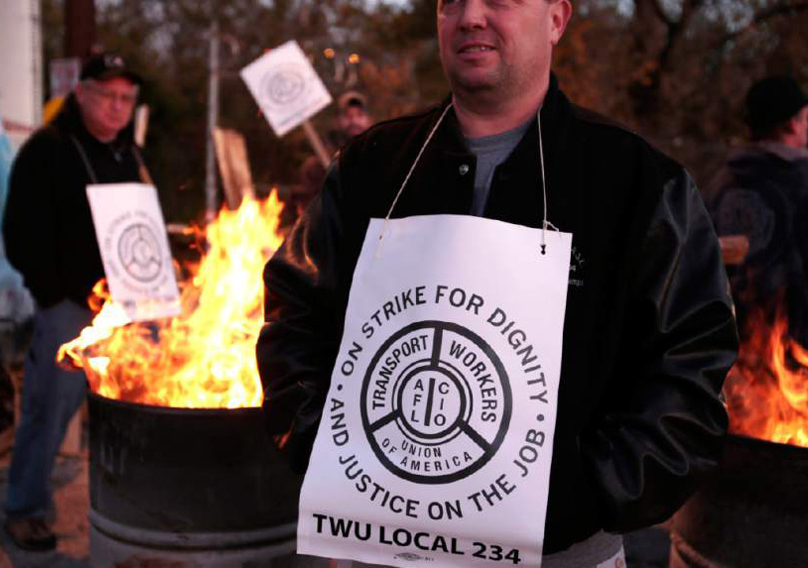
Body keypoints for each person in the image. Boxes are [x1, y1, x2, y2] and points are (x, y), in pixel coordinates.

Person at [257, 1, 737, 566]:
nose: (471, 17)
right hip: (380, 545)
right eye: (451, 1)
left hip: (562, 554)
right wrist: (325, 446)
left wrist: (585, 491)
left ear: (557, 18)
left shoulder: (637, 183)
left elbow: (690, 371)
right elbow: (294, 318)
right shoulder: (371, 168)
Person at [1, 53, 146, 551]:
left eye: (126, 98)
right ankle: (25, 509)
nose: (116, 106)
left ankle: (137, 501)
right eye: (106, 94)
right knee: (49, 408)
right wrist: (51, 293)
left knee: (141, 404)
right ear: (81, 93)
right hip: (68, 307)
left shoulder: (129, 153)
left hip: (125, 306)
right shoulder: (48, 149)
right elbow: (17, 230)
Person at [706, 75, 808, 356]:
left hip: (734, 346)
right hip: (797, 348)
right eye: (806, 119)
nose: (807, 126)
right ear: (791, 122)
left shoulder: (720, 181)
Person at [288, 92, 375, 227]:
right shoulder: (315, 167)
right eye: (348, 116)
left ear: (369, 119)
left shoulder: (384, 158)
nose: (354, 121)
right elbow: (303, 212)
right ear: (337, 122)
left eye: (359, 115)